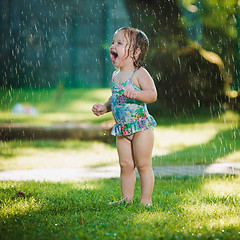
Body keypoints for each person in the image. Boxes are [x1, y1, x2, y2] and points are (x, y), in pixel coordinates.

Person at [92, 27, 157, 206]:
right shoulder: (115, 76)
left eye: (119, 43)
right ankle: (126, 199)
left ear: (135, 52)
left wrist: (136, 94)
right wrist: (105, 107)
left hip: (141, 128)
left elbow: (152, 95)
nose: (113, 45)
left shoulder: (140, 74)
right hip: (122, 128)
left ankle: (146, 200)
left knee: (143, 165)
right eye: (113, 42)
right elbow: (116, 97)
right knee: (126, 165)